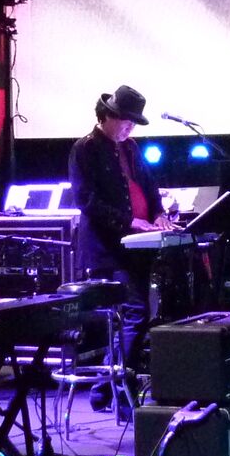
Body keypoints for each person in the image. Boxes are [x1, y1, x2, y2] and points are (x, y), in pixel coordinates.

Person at [68, 85, 163, 365]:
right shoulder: (85, 148)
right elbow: (86, 200)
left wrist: (158, 214)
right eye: (127, 121)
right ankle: (117, 379)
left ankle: (113, 379)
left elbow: (149, 186)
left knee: (139, 311)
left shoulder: (131, 148)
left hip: (137, 244)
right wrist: (129, 220)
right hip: (109, 248)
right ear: (108, 116)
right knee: (136, 311)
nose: (131, 127)